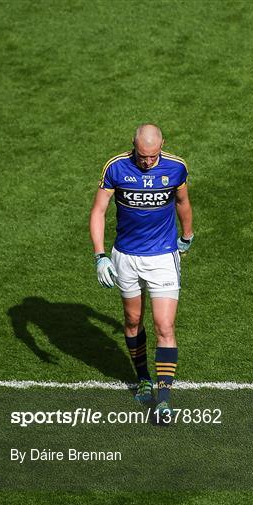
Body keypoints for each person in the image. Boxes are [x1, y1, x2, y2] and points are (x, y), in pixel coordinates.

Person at [89, 124, 194, 418]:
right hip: (126, 257)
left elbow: (183, 202)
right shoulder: (116, 167)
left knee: (164, 326)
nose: (146, 162)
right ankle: (143, 379)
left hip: (162, 257)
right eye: (142, 156)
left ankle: (163, 398)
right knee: (133, 320)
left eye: (152, 156)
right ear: (133, 146)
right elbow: (99, 210)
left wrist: (187, 237)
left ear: (162, 146)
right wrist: (100, 255)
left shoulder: (175, 168)